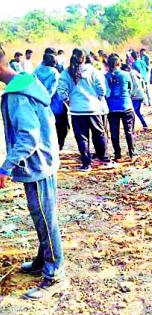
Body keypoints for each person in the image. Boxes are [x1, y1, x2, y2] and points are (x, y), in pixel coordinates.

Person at [0, 45, 67, 300]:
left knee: (46, 219)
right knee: (41, 215)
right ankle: (43, 260)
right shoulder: (27, 80)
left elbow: (28, 137)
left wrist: (5, 167)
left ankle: (54, 276)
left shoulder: (16, 94)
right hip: (44, 160)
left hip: (36, 164)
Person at [58, 48, 110, 171]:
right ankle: (103, 159)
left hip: (76, 110)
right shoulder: (93, 71)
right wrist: (97, 98)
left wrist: (68, 101)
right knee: (99, 135)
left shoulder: (66, 72)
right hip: (94, 109)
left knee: (81, 138)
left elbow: (61, 91)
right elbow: (102, 89)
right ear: (86, 57)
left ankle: (86, 164)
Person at [34, 54, 69, 150]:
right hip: (55, 105)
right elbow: (54, 88)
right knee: (61, 126)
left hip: (40, 103)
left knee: (44, 126)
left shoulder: (36, 70)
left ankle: (46, 145)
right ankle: (59, 144)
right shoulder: (55, 72)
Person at [105, 54, 136, 161]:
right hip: (126, 105)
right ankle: (132, 153)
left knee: (114, 132)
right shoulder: (126, 74)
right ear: (119, 63)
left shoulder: (106, 76)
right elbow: (131, 89)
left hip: (112, 107)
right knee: (129, 131)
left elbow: (105, 92)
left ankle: (117, 155)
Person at [122, 63, 148, 131]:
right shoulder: (135, 72)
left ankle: (132, 128)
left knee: (133, 111)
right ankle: (144, 125)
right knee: (137, 111)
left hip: (136, 95)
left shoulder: (131, 74)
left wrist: (131, 94)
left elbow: (135, 84)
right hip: (140, 94)